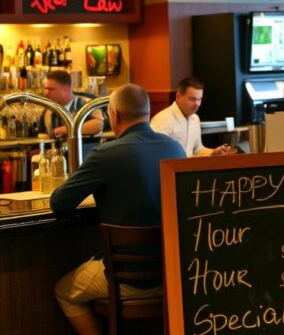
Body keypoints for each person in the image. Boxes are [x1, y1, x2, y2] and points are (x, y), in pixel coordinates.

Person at [52, 84, 186, 335]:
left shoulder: (105, 154)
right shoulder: (175, 148)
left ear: (115, 115)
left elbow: (59, 202)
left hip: (128, 280)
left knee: (64, 291)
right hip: (173, 275)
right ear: (148, 113)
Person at [151, 77, 227, 157]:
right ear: (178, 97)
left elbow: (198, 149)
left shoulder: (195, 119)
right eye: (192, 99)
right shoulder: (162, 119)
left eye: (199, 99)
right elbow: (154, 151)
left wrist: (213, 153)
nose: (197, 104)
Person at [40, 69, 104, 138]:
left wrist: (66, 129)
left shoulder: (83, 104)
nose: (46, 93)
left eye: (51, 89)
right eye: (45, 89)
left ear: (65, 90)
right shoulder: (48, 111)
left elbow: (98, 124)